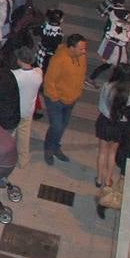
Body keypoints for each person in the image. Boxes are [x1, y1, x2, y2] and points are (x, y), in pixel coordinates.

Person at [42, 33, 88, 164]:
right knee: (56, 126)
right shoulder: (59, 59)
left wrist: (77, 92)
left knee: (63, 125)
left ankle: (55, 146)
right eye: (81, 48)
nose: (84, 51)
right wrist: (55, 97)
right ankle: (49, 149)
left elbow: (82, 73)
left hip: (71, 99)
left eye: (84, 48)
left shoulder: (81, 57)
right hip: (57, 100)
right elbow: (49, 81)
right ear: (71, 48)